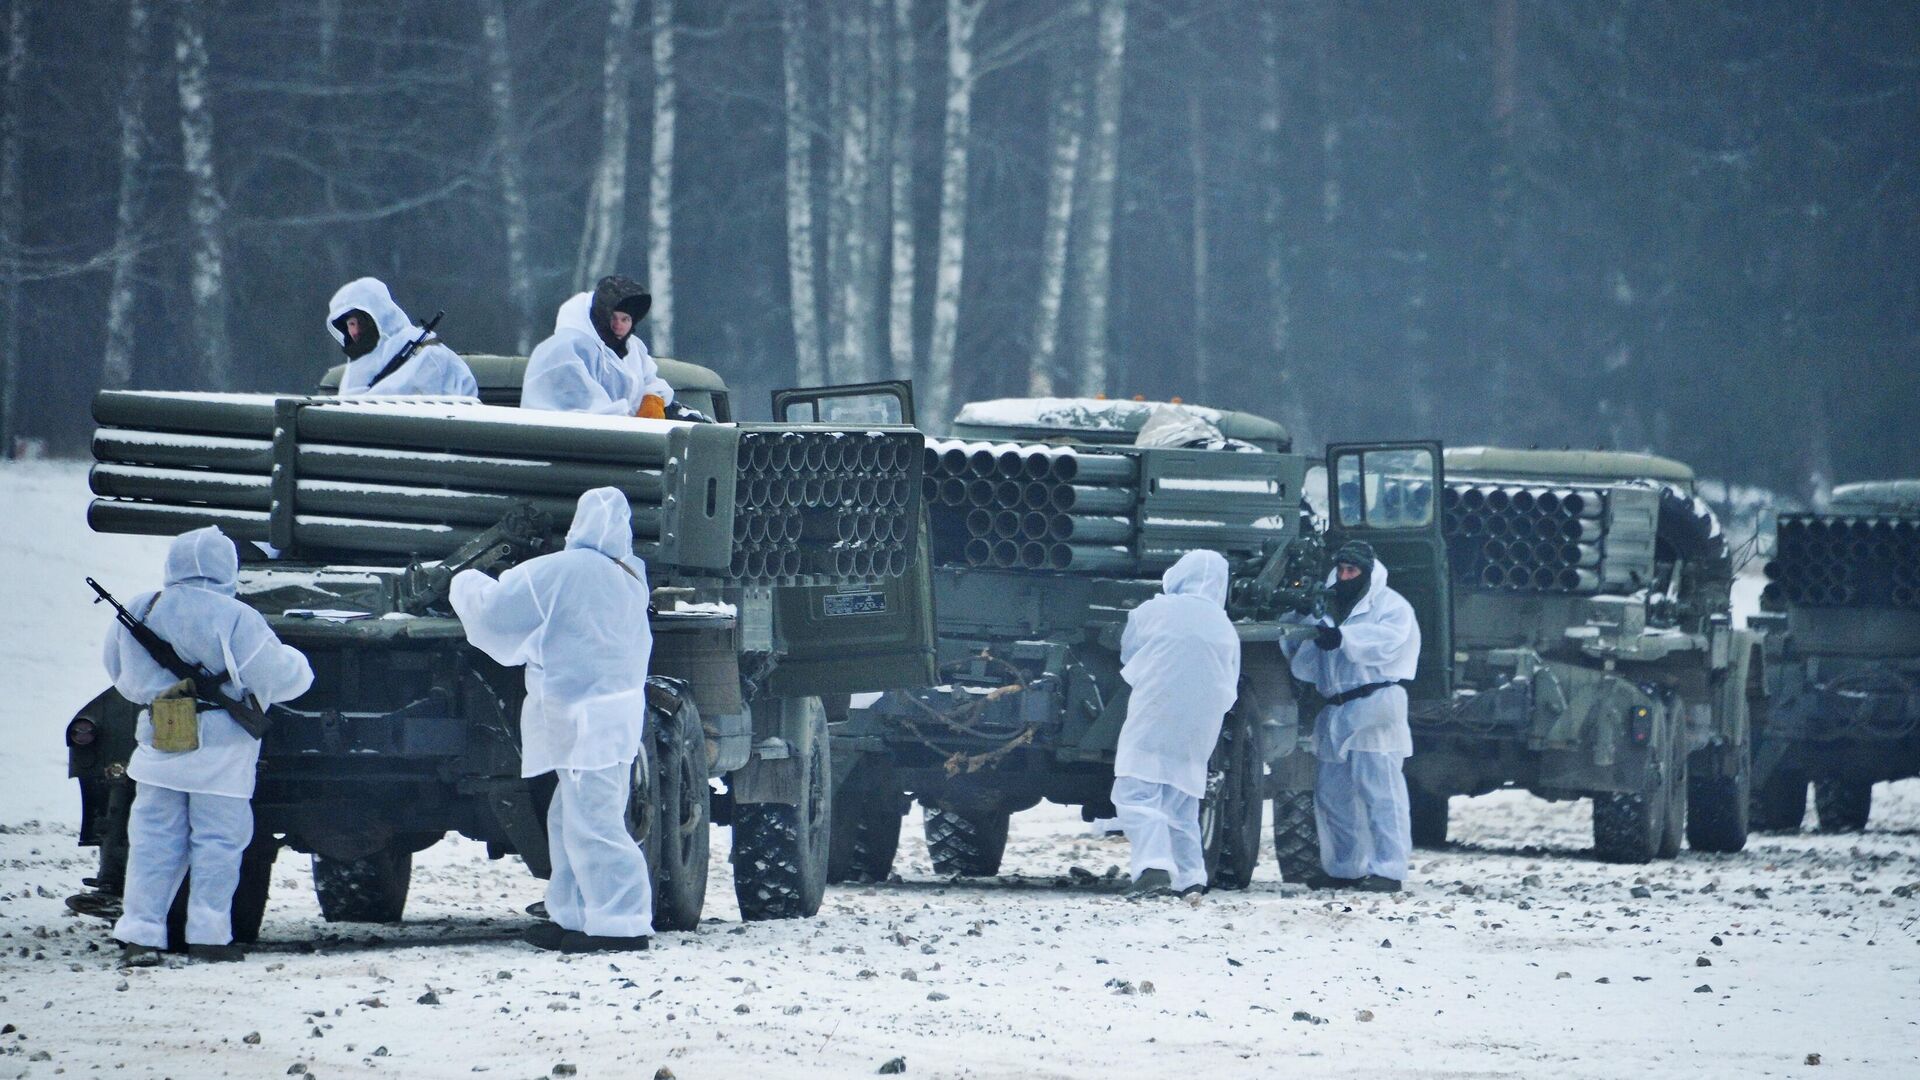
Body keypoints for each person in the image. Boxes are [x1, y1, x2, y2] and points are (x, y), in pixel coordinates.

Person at [449, 487, 655, 953]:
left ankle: (621, 924)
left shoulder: (566, 570)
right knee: (571, 818)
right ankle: (575, 914)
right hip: (609, 719)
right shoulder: (629, 575)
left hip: (585, 720)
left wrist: (465, 581)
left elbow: (499, 613)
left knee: (594, 823)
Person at [104, 527, 314, 965]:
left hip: (160, 745)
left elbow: (119, 673)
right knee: (218, 844)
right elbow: (278, 677)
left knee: (153, 842)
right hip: (223, 753)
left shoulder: (143, 607)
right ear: (228, 566)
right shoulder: (237, 616)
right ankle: (209, 935)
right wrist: (300, 664)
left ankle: (141, 933)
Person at [1284, 540, 1420, 893]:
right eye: (1341, 569)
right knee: (1333, 796)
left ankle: (1389, 869)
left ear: (1368, 573)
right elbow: (1305, 660)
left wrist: (1343, 638)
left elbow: (1386, 641)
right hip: (1335, 709)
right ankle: (1345, 868)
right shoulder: (1328, 606)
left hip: (1375, 704)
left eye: (1352, 571)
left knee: (1381, 792)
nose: (1345, 576)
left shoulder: (1391, 606)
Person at [1111, 549, 1241, 899]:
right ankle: (1190, 878)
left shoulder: (1155, 610)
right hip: (1201, 724)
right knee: (1181, 799)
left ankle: (1153, 867)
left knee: (1136, 790)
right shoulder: (1225, 626)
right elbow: (1231, 682)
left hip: (1156, 708)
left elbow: (1128, 652)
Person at [522, 276, 683, 418]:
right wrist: (632, 426)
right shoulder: (567, 349)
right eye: (613, 317)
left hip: (628, 444)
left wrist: (652, 400)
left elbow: (650, 380)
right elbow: (587, 412)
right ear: (600, 315)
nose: (618, 325)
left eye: (625, 319)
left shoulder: (633, 348)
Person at [327, 277, 479, 398]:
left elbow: (400, 407)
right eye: (351, 324)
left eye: (361, 322)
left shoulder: (429, 354)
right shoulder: (363, 361)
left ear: (379, 317)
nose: (356, 330)